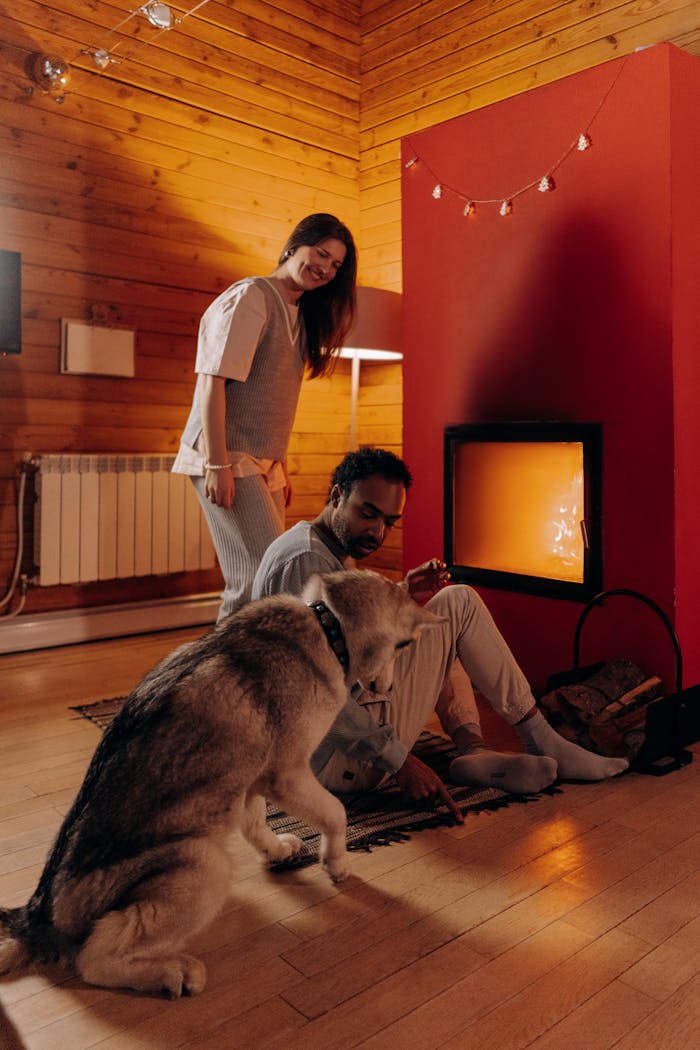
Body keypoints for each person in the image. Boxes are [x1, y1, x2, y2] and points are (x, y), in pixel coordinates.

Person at [252, 447, 629, 819]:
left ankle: (473, 750)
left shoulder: (314, 545)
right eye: (367, 513)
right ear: (337, 496)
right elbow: (316, 694)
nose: (377, 531)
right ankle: (540, 740)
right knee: (457, 604)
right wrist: (401, 763)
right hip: (330, 761)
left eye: (389, 521)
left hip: (323, 742)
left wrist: (403, 593)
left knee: (435, 618)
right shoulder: (309, 563)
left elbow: (348, 636)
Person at [173, 213, 357, 620]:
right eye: (321, 254)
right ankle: (215, 678)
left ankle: (250, 676)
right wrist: (216, 463)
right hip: (226, 454)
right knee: (256, 576)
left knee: (268, 578)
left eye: (335, 265)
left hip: (263, 463)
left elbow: (270, 399)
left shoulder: (300, 314)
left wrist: (280, 464)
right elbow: (212, 383)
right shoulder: (252, 297)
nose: (325, 268)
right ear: (296, 245)